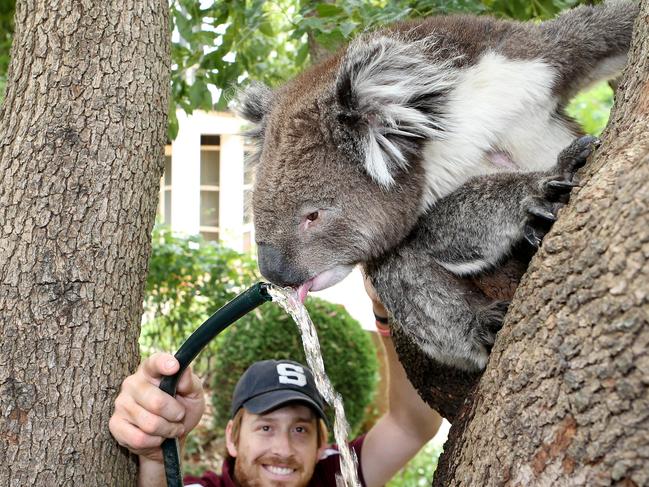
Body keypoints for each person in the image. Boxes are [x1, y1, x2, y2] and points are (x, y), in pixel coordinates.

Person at [109, 281, 443, 486]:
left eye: (300, 430)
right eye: (266, 427)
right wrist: (156, 454)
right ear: (233, 438)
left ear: (322, 444)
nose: (283, 450)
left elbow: (412, 425)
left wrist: (387, 311)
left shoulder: (336, 477)